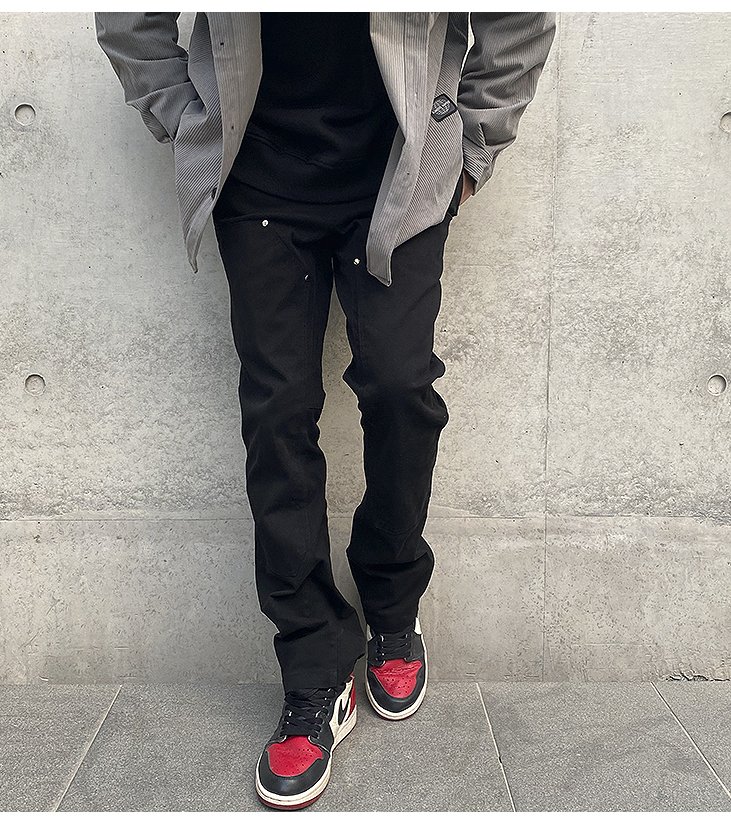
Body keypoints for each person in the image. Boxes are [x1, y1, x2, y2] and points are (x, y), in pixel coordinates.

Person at [95, 11, 555, 810]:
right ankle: (313, 669)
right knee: (276, 415)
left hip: (400, 172)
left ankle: (392, 599)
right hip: (259, 180)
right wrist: (186, 116)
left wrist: (473, 145)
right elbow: (128, 20)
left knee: (400, 387)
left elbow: (518, 20)